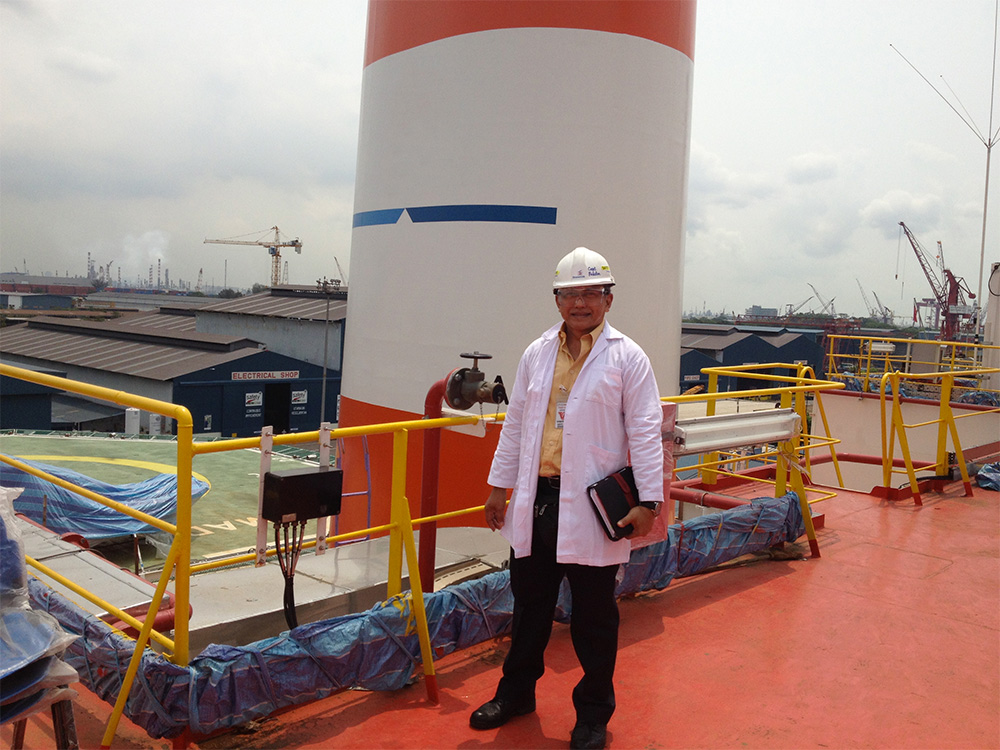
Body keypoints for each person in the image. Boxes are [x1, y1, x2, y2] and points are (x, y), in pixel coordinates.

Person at [469, 247, 664, 750]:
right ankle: (515, 695)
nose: (580, 303)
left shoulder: (628, 358)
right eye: (570, 293)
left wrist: (649, 502)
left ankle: (594, 714)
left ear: (608, 299)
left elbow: (644, 430)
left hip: (595, 511)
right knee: (529, 607)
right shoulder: (537, 353)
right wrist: (499, 489)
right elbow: (516, 426)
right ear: (557, 300)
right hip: (538, 502)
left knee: (595, 617)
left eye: (591, 293)